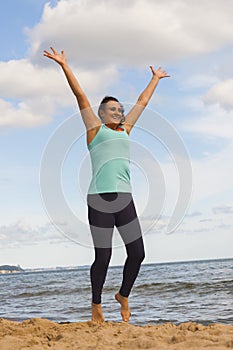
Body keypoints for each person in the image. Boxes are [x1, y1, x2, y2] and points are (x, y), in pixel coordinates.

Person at [44, 47, 169, 323]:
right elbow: (79, 96)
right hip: (99, 198)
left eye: (119, 109)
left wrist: (155, 79)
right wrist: (64, 64)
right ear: (101, 114)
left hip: (124, 198)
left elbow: (142, 102)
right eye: (111, 109)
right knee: (104, 257)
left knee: (138, 253)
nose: (117, 111)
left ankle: (123, 295)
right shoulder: (94, 130)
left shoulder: (126, 130)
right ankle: (96, 305)